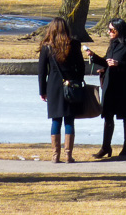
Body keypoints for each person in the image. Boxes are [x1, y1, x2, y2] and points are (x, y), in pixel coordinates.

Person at [85, 18, 126, 158]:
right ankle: (105, 147)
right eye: (108, 29)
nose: (109, 32)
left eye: (111, 30)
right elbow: (106, 61)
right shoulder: (113, 44)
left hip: (124, 85)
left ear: (119, 30)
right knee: (108, 115)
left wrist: (118, 64)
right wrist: (94, 57)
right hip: (111, 84)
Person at [38, 17, 85, 163]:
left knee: (56, 120)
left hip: (53, 87)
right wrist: (75, 80)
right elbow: (81, 67)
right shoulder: (74, 44)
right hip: (70, 86)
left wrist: (42, 90)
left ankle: (55, 155)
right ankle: (68, 155)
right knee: (70, 120)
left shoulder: (47, 47)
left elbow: (42, 72)